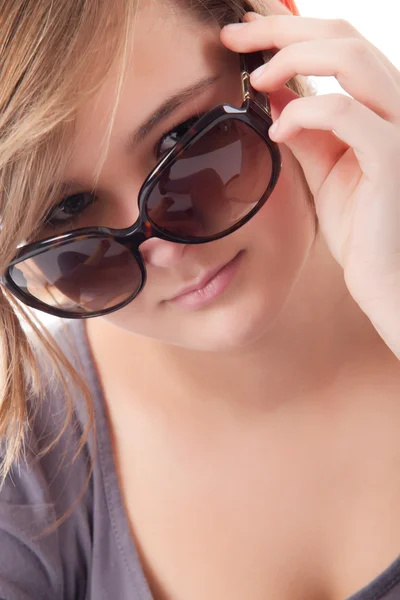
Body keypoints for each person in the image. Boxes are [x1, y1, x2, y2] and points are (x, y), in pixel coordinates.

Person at [0, 0, 400, 598]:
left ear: (273, 39)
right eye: (67, 212)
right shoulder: (25, 470)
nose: (163, 246)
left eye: (184, 140)